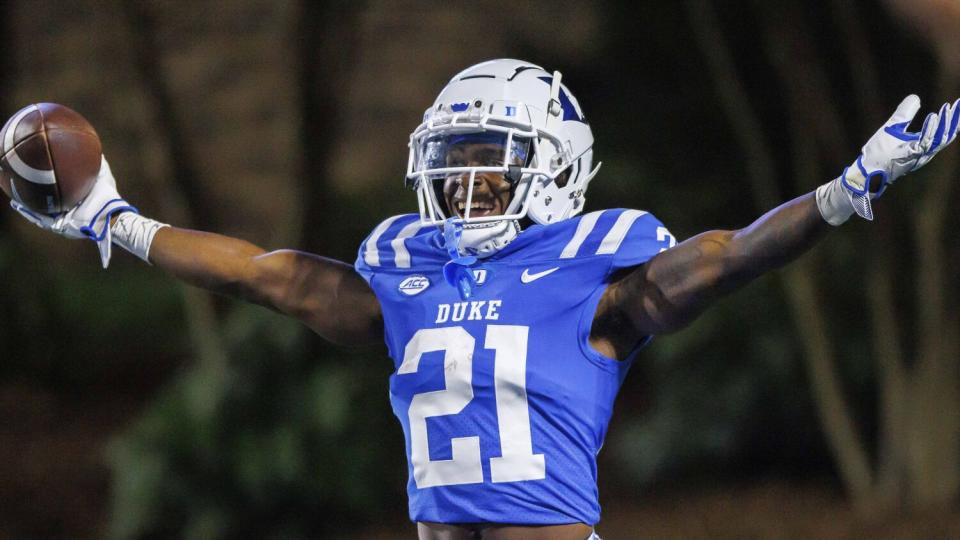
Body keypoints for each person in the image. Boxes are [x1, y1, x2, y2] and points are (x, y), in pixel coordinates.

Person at [7, 58, 959, 540]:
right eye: (453, 166)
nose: (467, 188)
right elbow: (261, 273)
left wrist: (843, 192)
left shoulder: (596, 272)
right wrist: (114, 222)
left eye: (492, 169)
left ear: (553, 173)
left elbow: (732, 257)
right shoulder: (407, 271)